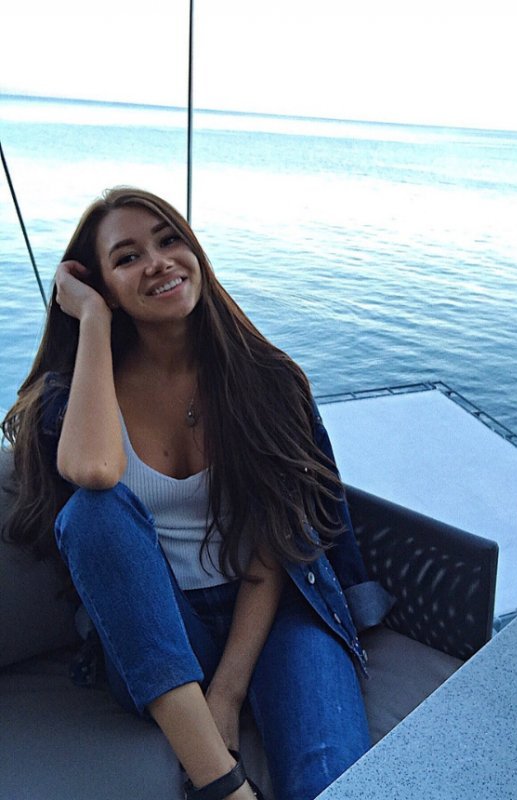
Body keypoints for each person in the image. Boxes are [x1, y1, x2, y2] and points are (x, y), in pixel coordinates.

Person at [1, 187, 393, 800]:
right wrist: (95, 323)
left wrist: (227, 694)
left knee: (331, 781)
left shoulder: (266, 382)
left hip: (272, 610)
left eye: (168, 240)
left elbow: (275, 547)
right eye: (127, 257)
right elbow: (93, 473)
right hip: (156, 629)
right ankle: (223, 789)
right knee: (93, 512)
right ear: (103, 287)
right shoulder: (80, 398)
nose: (157, 262)